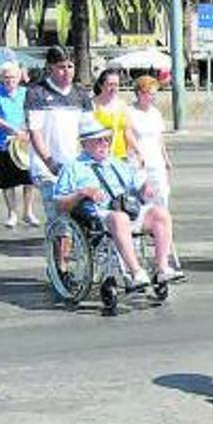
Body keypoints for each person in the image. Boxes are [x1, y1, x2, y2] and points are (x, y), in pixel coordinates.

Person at [53, 118, 182, 289]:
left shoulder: (117, 163)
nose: (104, 143)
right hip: (97, 215)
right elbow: (60, 204)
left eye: (107, 139)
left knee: (160, 214)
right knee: (119, 218)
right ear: (85, 144)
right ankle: (136, 272)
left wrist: (145, 187)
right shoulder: (72, 168)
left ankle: (162, 268)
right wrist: (81, 193)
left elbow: (137, 184)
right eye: (98, 140)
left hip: (126, 208)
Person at [26, 46, 95, 253]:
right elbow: (34, 131)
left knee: (89, 215)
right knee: (60, 218)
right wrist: (48, 161)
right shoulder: (37, 93)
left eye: (70, 66)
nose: (67, 72)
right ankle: (61, 269)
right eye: (61, 67)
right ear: (50, 68)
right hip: (47, 169)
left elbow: (89, 131)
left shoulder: (81, 94)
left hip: (75, 167)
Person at [0, 61, 38, 228]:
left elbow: (32, 114)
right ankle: (12, 213)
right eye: (7, 77)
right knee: (7, 182)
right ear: (2, 78)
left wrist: (28, 130)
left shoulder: (26, 93)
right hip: (4, 143)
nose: (10, 81)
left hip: (24, 142)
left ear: (19, 78)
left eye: (13, 77)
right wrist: (13, 129)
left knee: (28, 180)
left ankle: (28, 212)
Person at [125, 75, 172, 207]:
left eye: (154, 94)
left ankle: (161, 222)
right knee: (141, 196)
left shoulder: (155, 113)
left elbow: (159, 137)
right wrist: (137, 154)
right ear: (140, 93)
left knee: (162, 193)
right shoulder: (129, 111)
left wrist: (166, 158)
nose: (153, 98)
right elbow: (128, 134)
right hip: (138, 161)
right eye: (150, 94)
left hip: (156, 159)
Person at [93, 67, 129, 160]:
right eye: (110, 84)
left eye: (116, 85)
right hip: (98, 158)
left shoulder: (122, 104)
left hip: (121, 157)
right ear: (101, 85)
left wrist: (136, 152)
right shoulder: (92, 105)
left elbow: (127, 132)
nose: (114, 88)